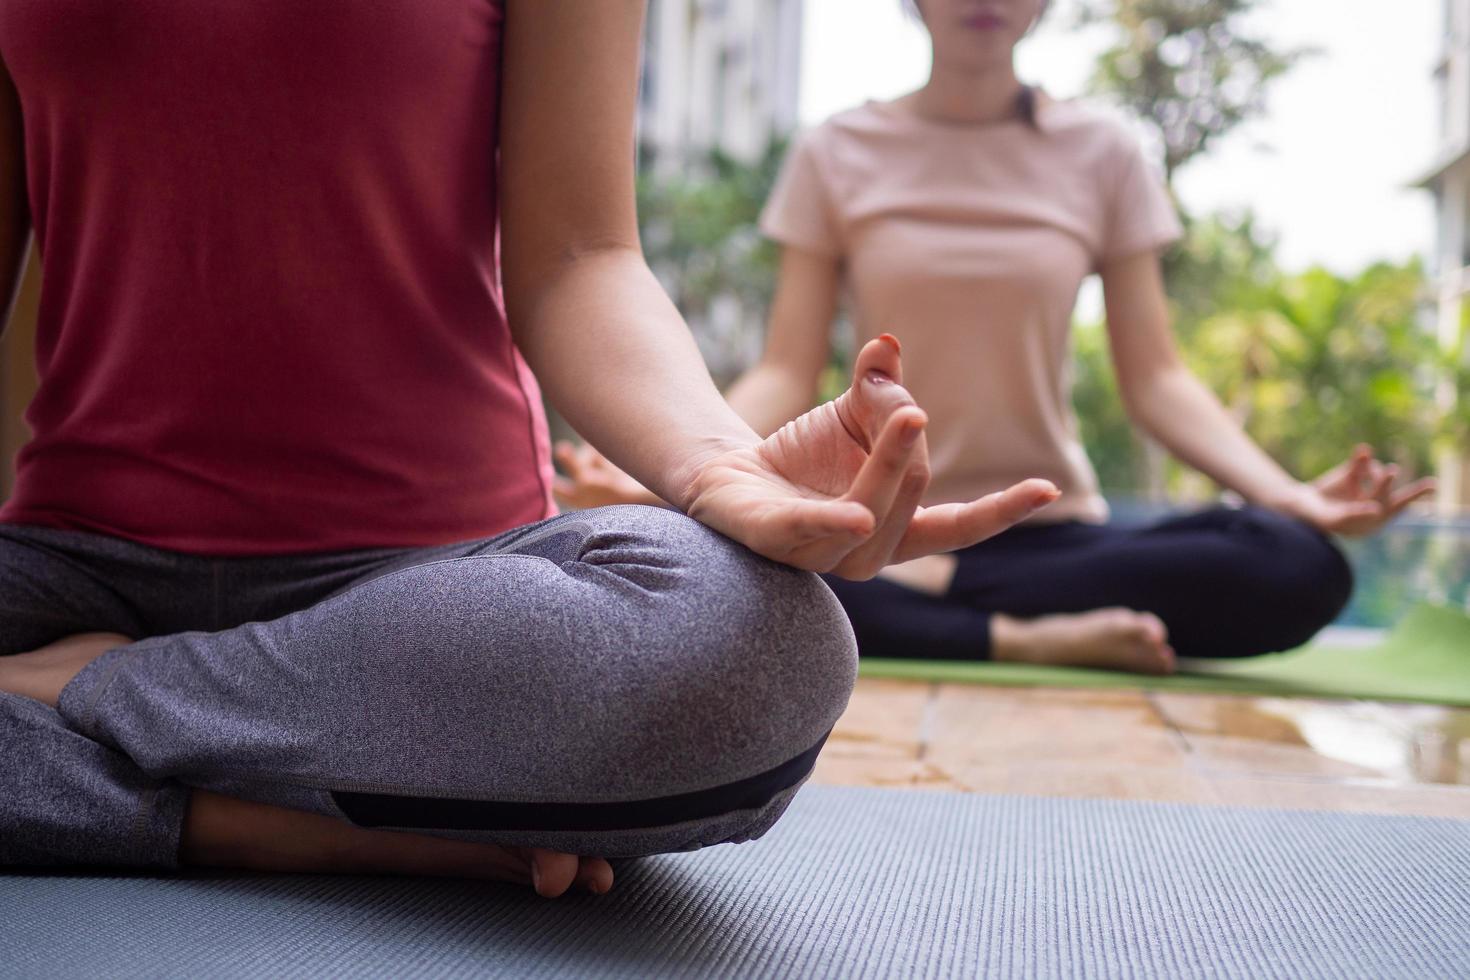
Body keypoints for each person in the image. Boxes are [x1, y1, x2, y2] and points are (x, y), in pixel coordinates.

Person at [0, 1, 1060, 897]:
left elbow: (581, 256)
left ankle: (96, 696)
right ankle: (254, 819)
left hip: (435, 599)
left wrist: (712, 464)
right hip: (77, 563)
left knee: (761, 651)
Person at [555, 0, 1435, 676]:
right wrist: (676, 474)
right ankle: (1018, 638)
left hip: (1052, 534)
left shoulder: (1102, 153)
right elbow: (786, 369)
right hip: (883, 527)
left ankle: (947, 600)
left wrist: (1291, 498)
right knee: (736, 575)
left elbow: (1158, 379)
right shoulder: (838, 150)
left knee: (1296, 565)